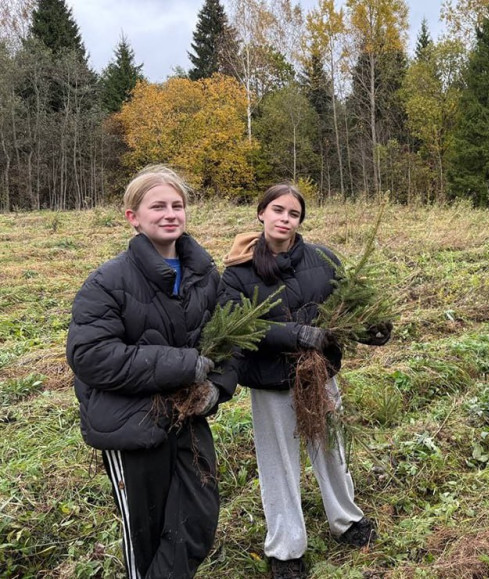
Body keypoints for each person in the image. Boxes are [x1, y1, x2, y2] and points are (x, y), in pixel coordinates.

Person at [66, 165, 237, 578]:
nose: (170, 213)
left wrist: (217, 387)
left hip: (187, 418)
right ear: (133, 217)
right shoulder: (108, 281)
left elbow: (230, 337)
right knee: (147, 533)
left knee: (197, 520)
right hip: (131, 426)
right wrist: (184, 365)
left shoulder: (203, 275)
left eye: (177, 205)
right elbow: (90, 355)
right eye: (157, 206)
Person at [220, 183, 390, 579]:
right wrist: (293, 335)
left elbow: (345, 307)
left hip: (320, 376)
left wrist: (372, 329)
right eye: (277, 210)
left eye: (293, 214)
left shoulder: (323, 259)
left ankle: (346, 521)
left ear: (300, 221)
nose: (284, 218)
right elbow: (238, 327)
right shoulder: (238, 272)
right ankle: (285, 549)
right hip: (271, 381)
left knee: (331, 448)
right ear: (261, 213)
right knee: (278, 463)